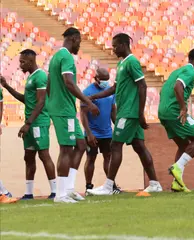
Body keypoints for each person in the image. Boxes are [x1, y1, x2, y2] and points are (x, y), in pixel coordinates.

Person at [86, 33, 162, 195]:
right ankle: (155, 183)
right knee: (139, 146)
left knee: (115, 145)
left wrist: (140, 113)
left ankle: (108, 186)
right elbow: (114, 88)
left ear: (122, 45)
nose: (112, 49)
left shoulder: (132, 62)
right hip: (127, 111)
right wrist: (93, 96)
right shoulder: (122, 64)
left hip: (129, 112)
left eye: (114, 46)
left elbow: (142, 86)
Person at [47, 27, 99, 203]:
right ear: (74, 39)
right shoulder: (66, 57)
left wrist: (51, 102)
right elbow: (69, 82)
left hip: (65, 108)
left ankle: (68, 189)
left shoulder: (56, 57)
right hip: (63, 110)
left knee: (81, 144)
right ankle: (60, 195)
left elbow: (49, 84)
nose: (79, 46)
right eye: (80, 42)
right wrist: (88, 101)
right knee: (66, 149)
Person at [0, 49, 57, 199]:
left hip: (39, 123)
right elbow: (26, 99)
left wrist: (28, 123)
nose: (20, 65)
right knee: (29, 157)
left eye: (23, 62)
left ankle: (55, 191)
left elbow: (41, 101)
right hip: (31, 124)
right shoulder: (31, 78)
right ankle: (28, 193)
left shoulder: (41, 76)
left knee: (44, 155)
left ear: (31, 61)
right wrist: (6, 86)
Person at [158, 49, 194, 192]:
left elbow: (163, 90)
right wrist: (183, 108)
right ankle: (177, 167)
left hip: (163, 112)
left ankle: (177, 183)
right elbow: (177, 87)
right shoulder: (190, 72)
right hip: (174, 112)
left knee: (184, 145)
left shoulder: (176, 72)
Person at [81, 68, 121, 194]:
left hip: (107, 132)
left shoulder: (110, 91)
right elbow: (83, 114)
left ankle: (111, 185)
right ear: (96, 78)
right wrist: (89, 133)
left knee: (108, 157)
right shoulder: (87, 92)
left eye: (107, 80)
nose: (105, 82)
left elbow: (113, 110)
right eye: (103, 80)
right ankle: (88, 187)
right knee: (91, 158)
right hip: (93, 133)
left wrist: (117, 128)